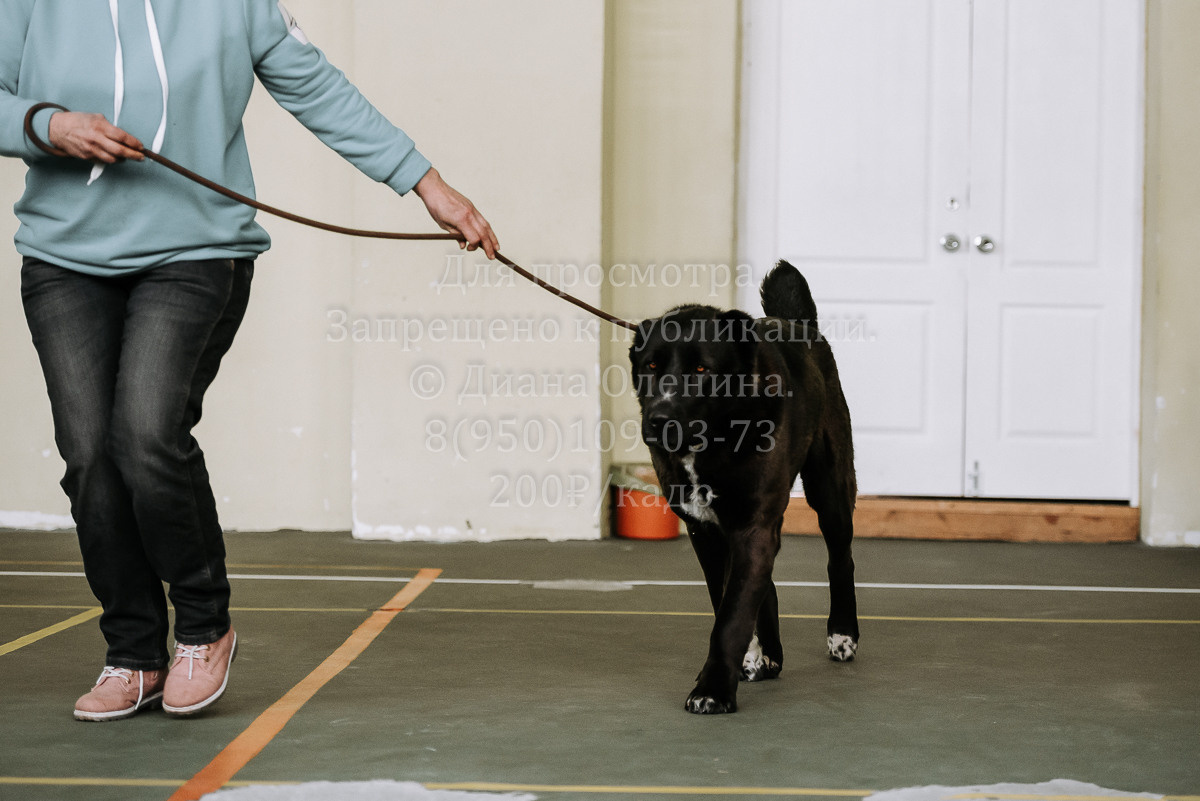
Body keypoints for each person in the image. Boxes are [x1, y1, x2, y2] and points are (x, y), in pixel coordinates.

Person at [0, 0, 498, 721]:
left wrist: (427, 184)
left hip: (196, 254)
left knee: (144, 434)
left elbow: (317, 86)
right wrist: (49, 125)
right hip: (64, 262)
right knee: (89, 458)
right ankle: (133, 652)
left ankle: (204, 629)